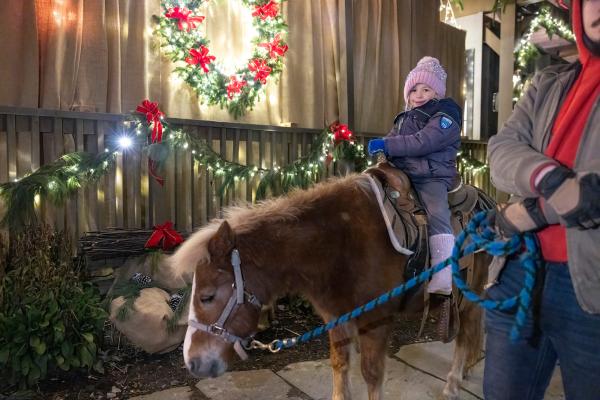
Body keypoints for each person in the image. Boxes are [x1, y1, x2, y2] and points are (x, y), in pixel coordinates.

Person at [485, 0, 600, 398]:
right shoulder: (549, 82)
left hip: (592, 291)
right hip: (518, 272)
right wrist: (551, 181)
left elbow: (592, 198)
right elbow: (501, 149)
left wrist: (530, 211)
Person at [367, 56, 463, 298]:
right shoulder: (404, 117)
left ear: (437, 93)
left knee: (437, 213)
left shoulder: (445, 115)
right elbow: (393, 139)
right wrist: (382, 152)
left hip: (430, 175)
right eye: (413, 90)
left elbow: (423, 142)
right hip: (404, 173)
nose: (418, 95)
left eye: (426, 89)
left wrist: (386, 144)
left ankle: (443, 274)